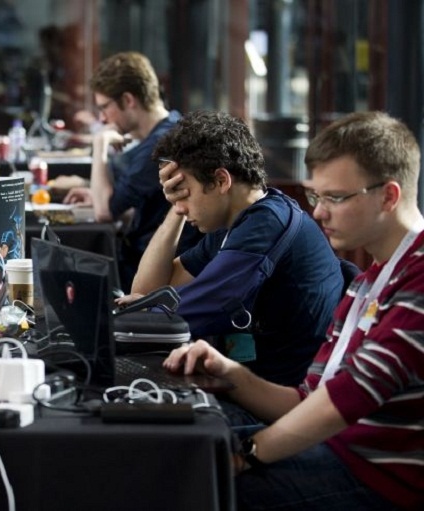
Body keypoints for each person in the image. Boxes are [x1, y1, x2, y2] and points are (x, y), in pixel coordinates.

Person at [164, 111, 424, 510]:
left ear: (388, 196)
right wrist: (230, 372)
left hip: (380, 481)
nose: (318, 212)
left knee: (193, 488)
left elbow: (347, 399)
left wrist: (249, 451)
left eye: (334, 198)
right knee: (177, 451)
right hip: (338, 452)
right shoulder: (368, 282)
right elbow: (307, 400)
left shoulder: (418, 279)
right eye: (316, 197)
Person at [119, 111, 343, 386]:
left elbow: (180, 316)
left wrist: (141, 312)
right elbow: (147, 291)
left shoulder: (266, 226)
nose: (181, 203)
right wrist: (176, 209)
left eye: (184, 191)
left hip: (281, 401)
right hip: (256, 385)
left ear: (222, 181)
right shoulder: (235, 224)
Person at [62, 52, 199, 289]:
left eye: (105, 107)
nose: (103, 118)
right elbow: (149, 207)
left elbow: (105, 212)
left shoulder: (161, 144)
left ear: (128, 100)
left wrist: (100, 143)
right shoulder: (170, 126)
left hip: (147, 268)